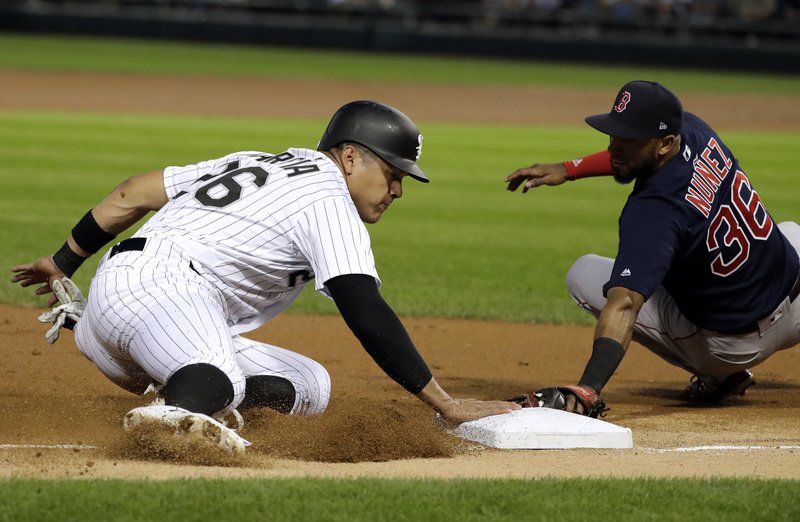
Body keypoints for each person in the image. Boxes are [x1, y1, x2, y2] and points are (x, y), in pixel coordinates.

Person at [12, 100, 519, 452]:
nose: (397, 190)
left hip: (126, 313)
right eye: (392, 174)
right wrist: (445, 403)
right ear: (349, 157)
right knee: (222, 373)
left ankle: (194, 399)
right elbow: (362, 304)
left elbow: (134, 192)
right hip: (163, 295)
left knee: (309, 386)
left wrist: (64, 261)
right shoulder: (328, 196)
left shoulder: (258, 161)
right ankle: (173, 419)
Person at [505, 81, 800, 415]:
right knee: (790, 230)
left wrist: (588, 389)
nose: (615, 147)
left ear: (664, 144)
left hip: (736, 345)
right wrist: (570, 169)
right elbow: (629, 156)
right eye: (613, 134)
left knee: (583, 274)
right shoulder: (694, 129)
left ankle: (722, 376)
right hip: (794, 293)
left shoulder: (653, 212)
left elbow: (626, 304)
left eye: (628, 140)